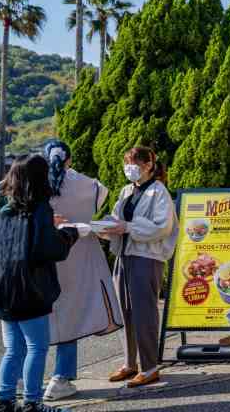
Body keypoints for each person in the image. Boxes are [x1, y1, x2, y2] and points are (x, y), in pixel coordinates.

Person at [42, 141, 123, 401]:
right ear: (71, 159)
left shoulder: (33, 185)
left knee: (39, 319)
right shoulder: (91, 185)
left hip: (44, 256)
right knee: (72, 316)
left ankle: (28, 380)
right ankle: (61, 377)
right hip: (81, 254)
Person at [0, 155, 78, 412]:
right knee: (36, 347)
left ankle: (5, 400)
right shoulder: (40, 208)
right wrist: (68, 233)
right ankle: (33, 402)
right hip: (31, 288)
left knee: (13, 349)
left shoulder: (3, 208)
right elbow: (47, 249)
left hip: (4, 287)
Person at [97, 146, 176, 389]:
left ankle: (150, 367)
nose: (129, 168)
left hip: (146, 257)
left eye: (134, 163)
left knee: (144, 312)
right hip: (124, 255)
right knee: (124, 311)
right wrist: (102, 227)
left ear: (149, 165)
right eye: (127, 163)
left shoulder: (159, 192)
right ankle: (130, 363)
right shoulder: (126, 190)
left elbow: (161, 227)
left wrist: (128, 227)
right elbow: (116, 218)